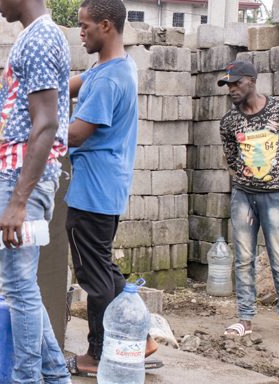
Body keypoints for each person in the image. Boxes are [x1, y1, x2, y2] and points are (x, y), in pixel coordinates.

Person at [62, 0, 159, 377]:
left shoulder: (109, 79)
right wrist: (24, 93)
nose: (80, 32)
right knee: (103, 265)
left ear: (106, 25)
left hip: (93, 190)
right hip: (107, 186)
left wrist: (25, 133)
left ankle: (97, 354)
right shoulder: (112, 67)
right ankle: (143, 336)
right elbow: (68, 87)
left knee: (94, 278)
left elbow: (75, 133)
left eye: (85, 26)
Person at [0, 0, 72, 382]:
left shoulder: (40, 38)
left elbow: (46, 124)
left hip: (22, 180)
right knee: (22, 286)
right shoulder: (35, 37)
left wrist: (17, 201)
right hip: (13, 175)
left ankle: (26, 378)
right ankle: (55, 376)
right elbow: (29, 117)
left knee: (17, 285)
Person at [217, 60, 279, 343]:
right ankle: (244, 320)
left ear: (251, 81)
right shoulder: (229, 122)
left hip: (274, 196)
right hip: (243, 196)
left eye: (236, 83)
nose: (232, 90)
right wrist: (243, 179)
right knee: (244, 259)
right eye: (228, 85)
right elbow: (232, 159)